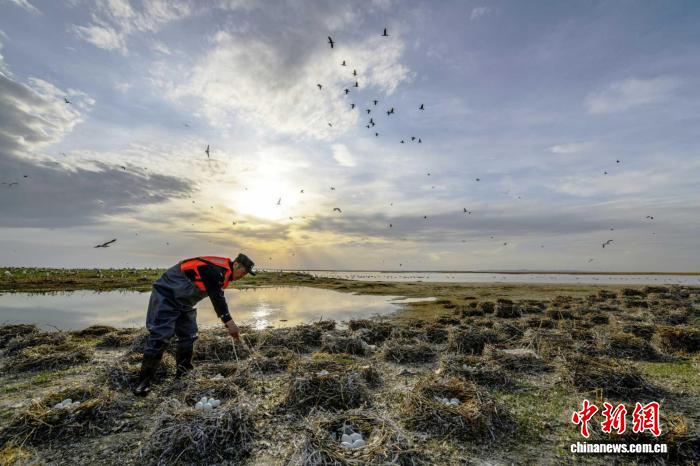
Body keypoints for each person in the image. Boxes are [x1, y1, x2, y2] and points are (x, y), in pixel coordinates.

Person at [133, 253, 256, 396]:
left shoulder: (224, 274)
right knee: (160, 337)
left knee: (189, 335)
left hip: (185, 303)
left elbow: (217, 294)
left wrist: (229, 322)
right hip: (166, 296)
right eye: (244, 272)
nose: (243, 276)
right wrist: (230, 323)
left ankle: (183, 375)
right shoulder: (214, 270)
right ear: (236, 265)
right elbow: (217, 298)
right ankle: (143, 382)